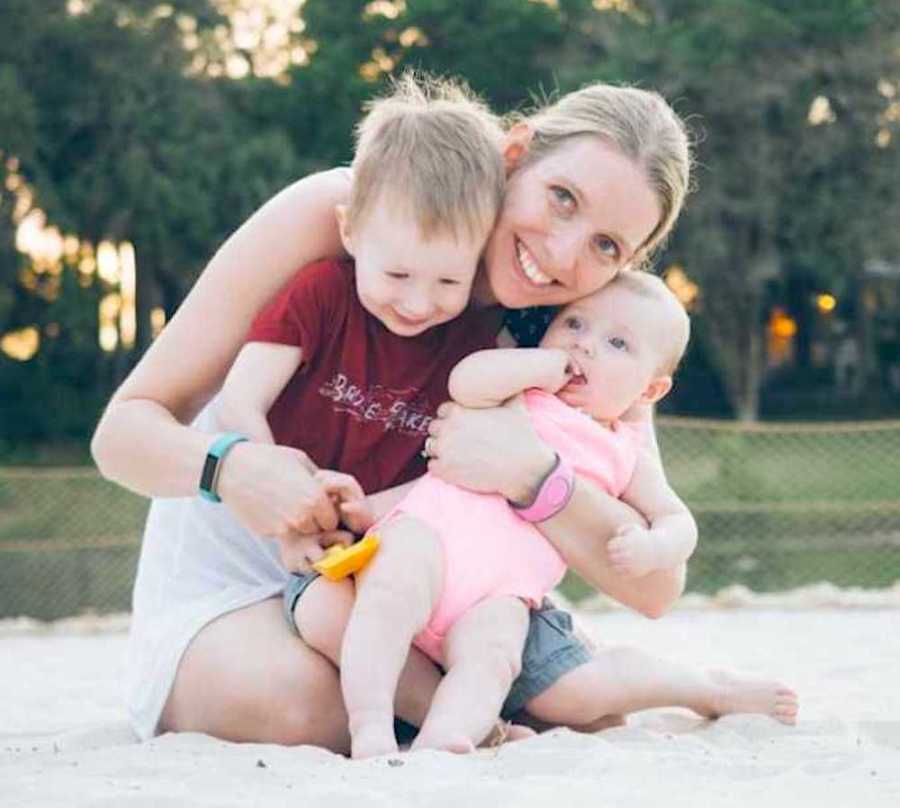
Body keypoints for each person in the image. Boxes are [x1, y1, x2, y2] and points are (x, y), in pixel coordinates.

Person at [92, 76, 705, 749]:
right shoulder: (351, 209)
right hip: (239, 587)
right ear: (516, 152)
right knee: (301, 705)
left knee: (574, 702)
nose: (563, 255)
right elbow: (122, 434)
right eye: (562, 199)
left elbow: (656, 585)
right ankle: (468, 708)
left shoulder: (582, 330)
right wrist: (232, 470)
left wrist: (531, 476)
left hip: (411, 586)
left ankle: (468, 702)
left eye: (607, 246)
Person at [291, 273, 794, 759]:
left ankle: (445, 740)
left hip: (501, 593)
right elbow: (466, 381)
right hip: (427, 538)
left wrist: (653, 546)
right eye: (574, 324)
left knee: (504, 663)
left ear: (649, 391)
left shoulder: (623, 451)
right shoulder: (520, 393)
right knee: (388, 600)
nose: (585, 346)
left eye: (617, 344)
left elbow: (677, 520)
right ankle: (372, 726)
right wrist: (535, 368)